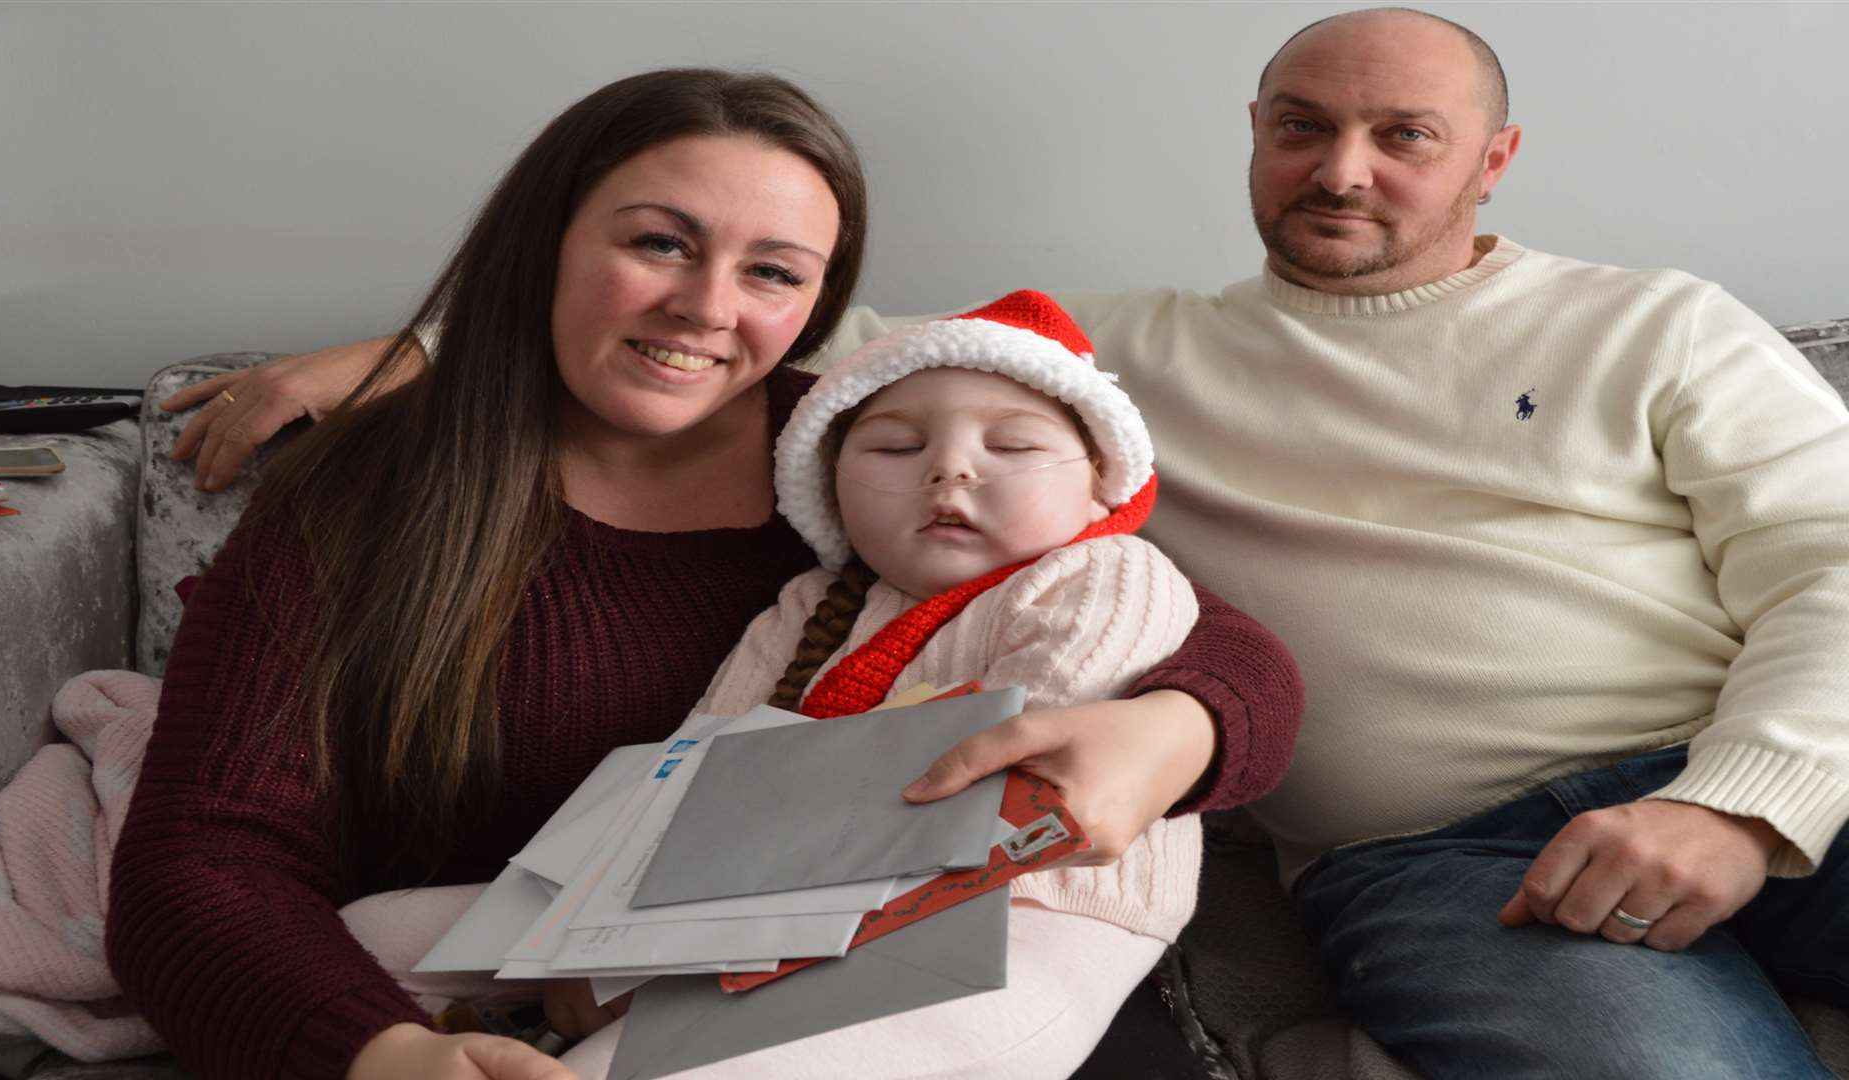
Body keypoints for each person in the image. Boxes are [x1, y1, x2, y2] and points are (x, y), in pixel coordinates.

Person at [182, 9, 1849, 1077]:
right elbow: (758, 324)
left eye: (1404, 135)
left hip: (1751, 767)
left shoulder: (1661, 326)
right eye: (1299, 125)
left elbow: (1834, 558)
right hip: (1444, 868)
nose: (1341, 170)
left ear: (1493, 162)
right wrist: (402, 353)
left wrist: (1735, 799)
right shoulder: (1081, 369)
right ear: (1252, 138)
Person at [110, 68, 1302, 1080]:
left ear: (818, 309)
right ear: (544, 248)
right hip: (579, 939)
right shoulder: (372, 495)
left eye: (774, 274)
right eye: (658, 243)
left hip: (893, 940)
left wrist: (1176, 732)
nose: (707, 308)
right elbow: (200, 860)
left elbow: (1175, 621)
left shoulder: (864, 459)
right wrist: (383, 1052)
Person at [554, 287, 1244, 1076]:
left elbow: (1012, 770)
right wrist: (595, 931)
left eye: (1013, 447)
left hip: (1032, 915)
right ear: (832, 487)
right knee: (389, 930)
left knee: (631, 1065)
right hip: (784, 907)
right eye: (892, 448)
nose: (950, 468)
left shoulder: (1109, 572)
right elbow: (694, 766)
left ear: (1098, 483)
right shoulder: (812, 603)